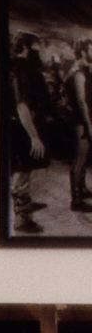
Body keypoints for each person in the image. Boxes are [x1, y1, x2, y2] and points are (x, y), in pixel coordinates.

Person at [5, 31, 51, 233]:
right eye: (37, 49)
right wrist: (34, 137)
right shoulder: (24, 70)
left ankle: (24, 205)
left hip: (19, 127)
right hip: (21, 129)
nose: (41, 54)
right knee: (22, 173)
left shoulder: (19, 68)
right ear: (25, 48)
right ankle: (22, 219)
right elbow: (22, 106)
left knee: (22, 171)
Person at [69, 40, 92, 212]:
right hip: (81, 121)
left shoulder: (83, 70)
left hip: (84, 119)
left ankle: (82, 189)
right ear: (84, 52)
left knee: (84, 156)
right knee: (80, 158)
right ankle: (76, 200)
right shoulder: (78, 73)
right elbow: (81, 102)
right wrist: (89, 125)